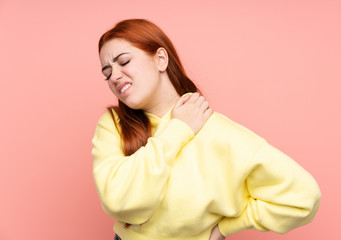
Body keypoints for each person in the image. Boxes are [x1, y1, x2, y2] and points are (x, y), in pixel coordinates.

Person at [91, 18, 321, 240]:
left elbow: (303, 197)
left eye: (123, 62)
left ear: (161, 59)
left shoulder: (220, 134)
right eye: (107, 72)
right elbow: (118, 201)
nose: (115, 76)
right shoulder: (114, 123)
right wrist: (178, 129)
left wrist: (226, 227)